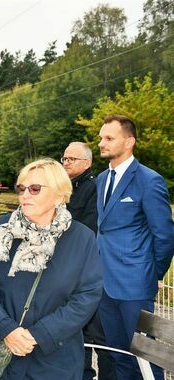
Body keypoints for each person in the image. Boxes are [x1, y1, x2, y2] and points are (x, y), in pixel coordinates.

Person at [0, 158, 103, 379]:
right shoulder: (2, 230)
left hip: (55, 358)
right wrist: (6, 329)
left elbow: (87, 296)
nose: (25, 195)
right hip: (6, 355)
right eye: (22, 188)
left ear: (60, 194)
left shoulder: (82, 237)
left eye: (34, 189)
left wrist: (39, 335)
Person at [96, 115, 174, 380]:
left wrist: (153, 275)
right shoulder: (101, 179)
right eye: (100, 138)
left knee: (145, 358)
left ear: (129, 141)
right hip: (104, 284)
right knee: (118, 355)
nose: (101, 143)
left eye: (109, 138)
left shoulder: (149, 181)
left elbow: (164, 235)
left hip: (135, 285)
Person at [62, 142, 115, 380]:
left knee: (99, 335)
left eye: (72, 159)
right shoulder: (63, 188)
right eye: (64, 159)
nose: (66, 163)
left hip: (87, 271)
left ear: (87, 162)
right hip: (67, 272)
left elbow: (89, 231)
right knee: (75, 333)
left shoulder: (93, 188)